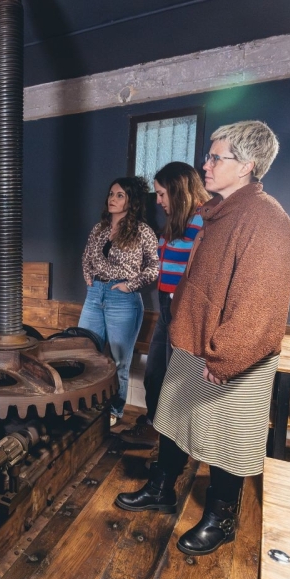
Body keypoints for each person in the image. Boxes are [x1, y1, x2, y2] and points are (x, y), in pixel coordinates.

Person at [115, 120, 290, 558]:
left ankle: (222, 517)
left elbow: (261, 299)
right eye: (209, 155)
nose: (206, 164)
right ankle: (163, 488)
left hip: (230, 354)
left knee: (229, 438)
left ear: (247, 166)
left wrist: (226, 357)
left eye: (217, 157)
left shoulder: (266, 218)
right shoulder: (220, 214)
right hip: (192, 343)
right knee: (175, 420)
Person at [120, 162, 210, 445]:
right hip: (166, 305)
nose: (157, 200)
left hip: (184, 307)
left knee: (176, 380)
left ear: (178, 190)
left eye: (161, 194)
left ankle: (172, 442)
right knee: (155, 372)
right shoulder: (177, 221)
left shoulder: (204, 220)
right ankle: (154, 425)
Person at [80, 177, 159, 427]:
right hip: (95, 294)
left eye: (120, 195)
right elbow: (86, 256)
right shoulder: (98, 228)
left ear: (132, 200)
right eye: (111, 194)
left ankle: (114, 410)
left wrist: (129, 285)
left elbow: (155, 267)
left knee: (119, 361)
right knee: (85, 352)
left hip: (122, 298)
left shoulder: (142, 231)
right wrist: (88, 277)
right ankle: (87, 407)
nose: (112, 199)